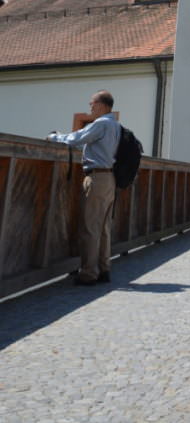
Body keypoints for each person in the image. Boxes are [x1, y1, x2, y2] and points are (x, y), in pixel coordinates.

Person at [47, 90, 121, 285]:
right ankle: (104, 269)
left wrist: (56, 137)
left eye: (92, 103)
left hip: (97, 178)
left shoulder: (101, 123)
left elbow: (77, 138)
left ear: (103, 105)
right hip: (109, 178)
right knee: (103, 227)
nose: (90, 107)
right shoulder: (115, 125)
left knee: (90, 227)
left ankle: (88, 273)